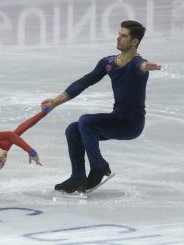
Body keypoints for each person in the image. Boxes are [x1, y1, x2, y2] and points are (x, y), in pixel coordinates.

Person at [41, 20, 161, 194]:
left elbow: (140, 66)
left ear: (134, 41)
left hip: (131, 124)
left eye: (124, 36)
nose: (118, 38)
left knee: (86, 121)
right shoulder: (109, 62)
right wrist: (55, 102)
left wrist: (146, 67)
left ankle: (99, 166)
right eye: (119, 34)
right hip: (117, 118)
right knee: (73, 130)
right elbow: (84, 82)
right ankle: (78, 177)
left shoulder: (137, 64)